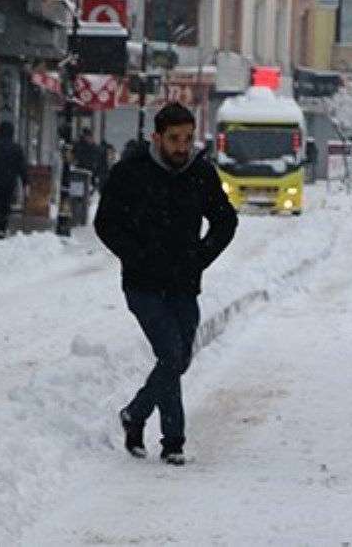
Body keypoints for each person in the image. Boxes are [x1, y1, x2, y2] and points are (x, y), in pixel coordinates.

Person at [95, 102, 238, 466]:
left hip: (184, 284)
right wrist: (138, 256)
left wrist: (200, 256)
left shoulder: (200, 174)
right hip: (142, 285)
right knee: (171, 355)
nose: (182, 147)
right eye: (174, 139)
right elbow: (106, 224)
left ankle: (135, 413)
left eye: (188, 139)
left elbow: (225, 221)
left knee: (180, 358)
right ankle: (173, 441)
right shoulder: (130, 173)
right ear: (156, 138)